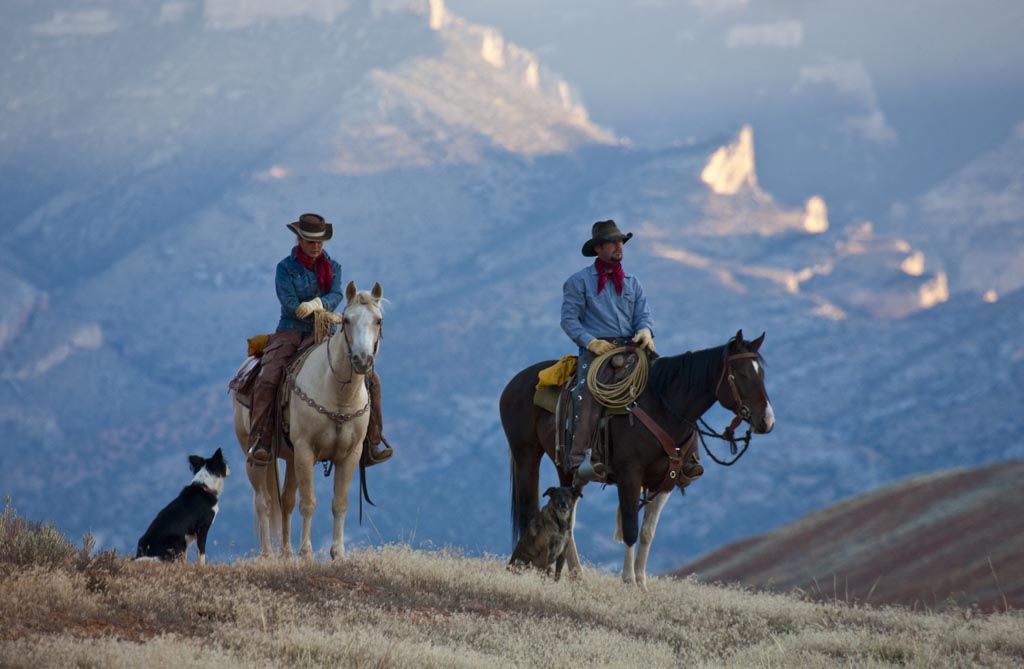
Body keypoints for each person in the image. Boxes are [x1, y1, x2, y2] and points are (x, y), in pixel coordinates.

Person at [246, 213, 393, 467]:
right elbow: (288, 301)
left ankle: (371, 441)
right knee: (269, 376)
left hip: (325, 332)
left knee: (371, 379)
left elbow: (336, 292)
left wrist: (320, 304)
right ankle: (261, 440)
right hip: (291, 330)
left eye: (319, 242)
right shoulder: (285, 268)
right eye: (310, 241)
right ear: (299, 239)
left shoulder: (333, 267)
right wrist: (305, 307)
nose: (316, 247)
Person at [560, 220, 656, 484]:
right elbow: (569, 320)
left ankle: (678, 457)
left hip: (631, 348)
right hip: (597, 351)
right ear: (599, 248)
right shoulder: (578, 282)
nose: (619, 246)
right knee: (590, 392)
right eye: (613, 242)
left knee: (667, 383)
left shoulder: (633, 283)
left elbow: (643, 316)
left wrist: (645, 330)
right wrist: (591, 342)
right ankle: (579, 459)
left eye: (621, 241)